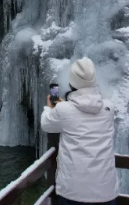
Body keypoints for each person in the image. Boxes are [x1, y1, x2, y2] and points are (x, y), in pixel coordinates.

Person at [40, 57, 119, 205]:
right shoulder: (109, 108)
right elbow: (83, 110)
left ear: (72, 82)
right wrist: (66, 107)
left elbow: (46, 124)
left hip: (72, 192)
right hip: (106, 192)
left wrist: (50, 108)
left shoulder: (63, 110)